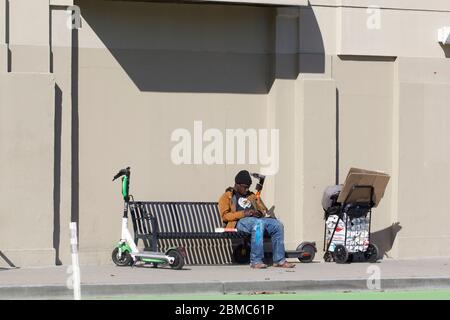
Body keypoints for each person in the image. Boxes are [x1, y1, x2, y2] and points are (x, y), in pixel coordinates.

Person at [218, 170, 295, 269]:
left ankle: (279, 260)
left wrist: (259, 212)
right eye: (245, 187)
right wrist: (244, 213)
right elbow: (225, 216)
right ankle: (256, 261)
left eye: (248, 187)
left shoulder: (251, 195)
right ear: (237, 184)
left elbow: (262, 209)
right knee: (258, 224)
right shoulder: (227, 196)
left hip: (256, 220)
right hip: (239, 222)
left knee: (277, 225)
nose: (247, 189)